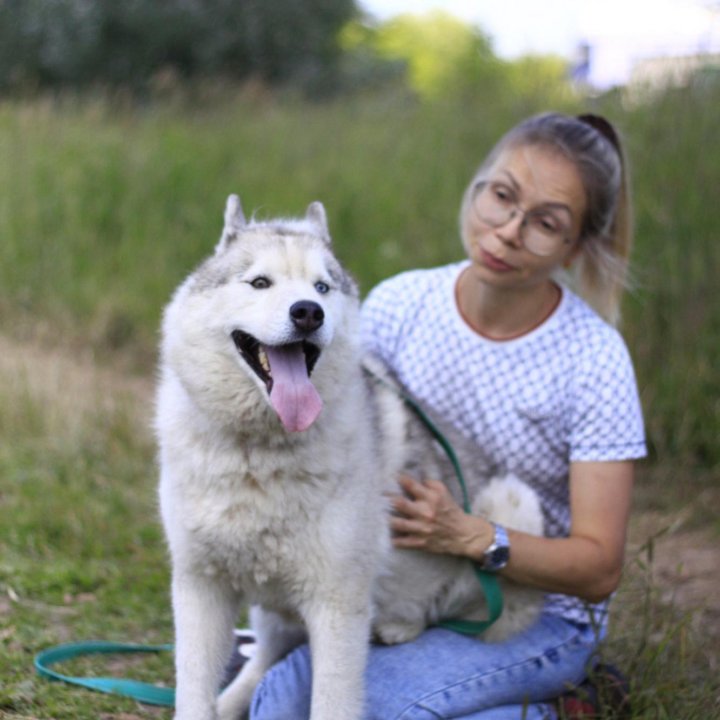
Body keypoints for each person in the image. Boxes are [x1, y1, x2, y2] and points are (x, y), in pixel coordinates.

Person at [247, 112, 646, 719]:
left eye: (545, 223)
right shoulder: (402, 302)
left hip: (530, 614)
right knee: (278, 703)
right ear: (478, 187)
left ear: (578, 244)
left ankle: (563, 692)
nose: (509, 230)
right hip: (399, 589)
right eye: (502, 196)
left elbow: (599, 568)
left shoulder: (595, 360)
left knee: (382, 710)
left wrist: (472, 536)